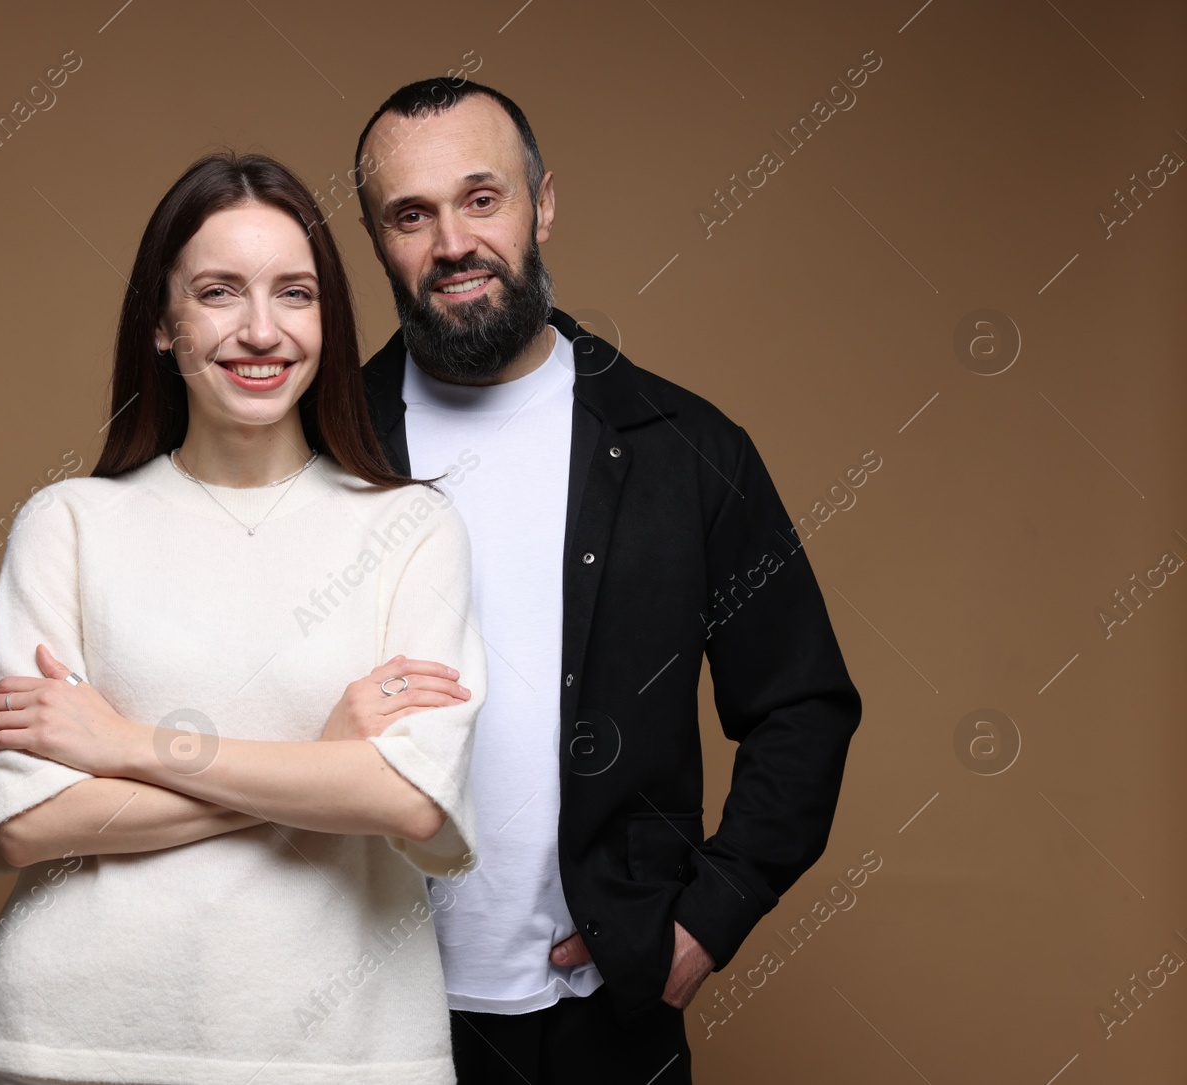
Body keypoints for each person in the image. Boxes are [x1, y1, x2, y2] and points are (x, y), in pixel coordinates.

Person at [339, 78, 863, 1084]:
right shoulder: (320, 448)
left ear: (541, 204)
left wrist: (706, 919)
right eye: (411, 214)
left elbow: (802, 701)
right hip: (352, 1006)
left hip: (596, 1017)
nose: (451, 242)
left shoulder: (685, 449)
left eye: (480, 198)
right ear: (376, 240)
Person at [0, 151, 489, 1085]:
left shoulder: (411, 527)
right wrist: (325, 767)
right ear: (164, 324)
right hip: (75, 1040)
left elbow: (411, 800)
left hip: (347, 1051)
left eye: (294, 293)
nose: (260, 330)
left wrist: (125, 744)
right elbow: (25, 825)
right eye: (217, 292)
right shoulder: (68, 524)